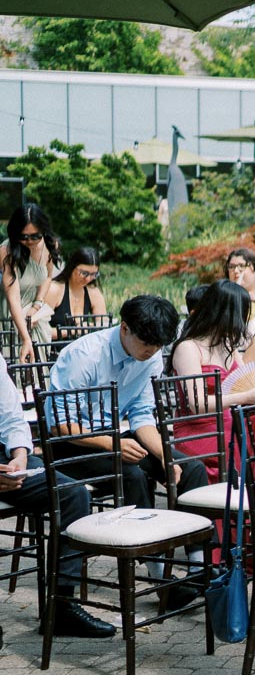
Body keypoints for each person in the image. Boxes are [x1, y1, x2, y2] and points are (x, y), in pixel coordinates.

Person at [46, 295, 212, 582]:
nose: (152, 352)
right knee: (132, 474)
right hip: (71, 446)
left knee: (191, 469)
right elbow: (60, 427)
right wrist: (114, 444)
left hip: (115, 439)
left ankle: (199, 569)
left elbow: (142, 416)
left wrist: (164, 455)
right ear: (124, 329)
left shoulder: (149, 358)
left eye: (158, 346)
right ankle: (157, 575)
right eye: (147, 345)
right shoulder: (84, 356)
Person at [0, 349, 113, 638]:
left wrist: (20, 456)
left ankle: (62, 607)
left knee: (73, 494)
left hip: (7, 456)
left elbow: (12, 417)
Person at [170, 281, 255, 482]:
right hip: (199, 432)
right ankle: (254, 495)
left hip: (230, 427)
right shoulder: (188, 348)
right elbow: (197, 405)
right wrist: (243, 397)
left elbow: (246, 381)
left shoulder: (225, 345)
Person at [3, 204, 60, 362]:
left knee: (39, 367)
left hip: (34, 313)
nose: (29, 241)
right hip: (10, 312)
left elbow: (47, 277)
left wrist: (36, 306)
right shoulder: (6, 251)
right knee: (16, 367)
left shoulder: (50, 245)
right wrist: (25, 337)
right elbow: (12, 298)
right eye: (23, 236)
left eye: (35, 236)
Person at [44, 246, 108, 332]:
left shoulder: (94, 293)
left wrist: (92, 326)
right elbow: (40, 330)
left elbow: (103, 326)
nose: (88, 279)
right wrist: (75, 330)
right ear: (72, 267)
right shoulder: (54, 290)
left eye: (93, 274)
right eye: (84, 273)